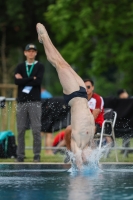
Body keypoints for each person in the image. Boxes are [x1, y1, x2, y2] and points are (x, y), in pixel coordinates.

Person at [36, 23, 95, 169]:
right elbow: (92, 159)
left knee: (60, 64)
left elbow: (78, 161)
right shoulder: (88, 142)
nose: (89, 156)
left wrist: (80, 170)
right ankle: (44, 37)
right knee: (62, 64)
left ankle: (44, 37)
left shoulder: (78, 143)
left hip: (77, 95)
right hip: (79, 94)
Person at [15, 43, 44, 162]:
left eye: (33, 51)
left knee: (36, 129)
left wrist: (23, 80)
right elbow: (17, 82)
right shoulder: (20, 66)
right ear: (25, 53)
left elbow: (39, 82)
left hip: (35, 101)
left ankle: (37, 154)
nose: (31, 53)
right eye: (29, 51)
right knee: (20, 129)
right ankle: (20, 155)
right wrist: (32, 78)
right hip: (22, 101)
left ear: (36, 53)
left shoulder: (40, 66)